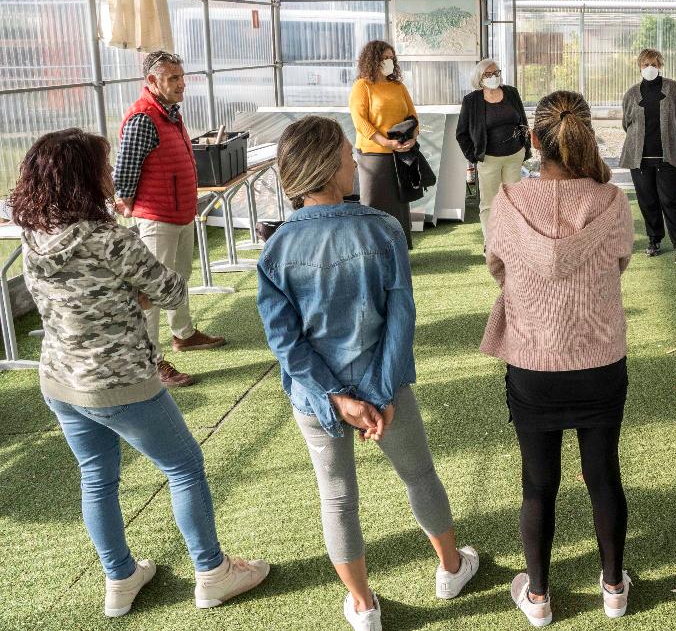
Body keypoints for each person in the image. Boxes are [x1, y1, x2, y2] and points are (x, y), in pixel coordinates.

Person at [12, 129, 269, 619]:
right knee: (184, 467)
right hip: (120, 383)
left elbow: (65, 300)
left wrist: (123, 297)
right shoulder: (109, 239)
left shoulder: (33, 235)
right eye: (103, 168)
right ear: (83, 179)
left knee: (97, 480)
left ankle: (120, 578)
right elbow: (171, 289)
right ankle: (213, 573)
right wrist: (133, 297)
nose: (111, 176)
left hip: (60, 381)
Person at [257, 117, 478, 631]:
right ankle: (450, 568)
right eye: (345, 153)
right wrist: (379, 392)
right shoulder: (383, 229)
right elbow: (402, 317)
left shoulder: (275, 251)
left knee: (336, 497)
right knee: (419, 476)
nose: (353, 158)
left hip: (315, 401)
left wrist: (335, 398)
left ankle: (363, 606)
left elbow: (285, 343)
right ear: (327, 166)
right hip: (387, 387)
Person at [480, 91, 635, 627]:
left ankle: (539, 597)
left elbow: (497, 266)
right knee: (603, 474)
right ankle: (614, 588)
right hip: (600, 361)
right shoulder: (611, 202)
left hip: (533, 364)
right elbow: (619, 263)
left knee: (537, 481)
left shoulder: (509, 202)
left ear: (531, 139)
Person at [113, 50, 225, 388]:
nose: (182, 84)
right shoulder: (143, 118)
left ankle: (184, 334)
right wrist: (130, 204)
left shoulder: (169, 114)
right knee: (151, 291)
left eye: (181, 76)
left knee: (178, 277)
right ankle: (151, 362)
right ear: (152, 81)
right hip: (158, 217)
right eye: (173, 78)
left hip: (178, 213)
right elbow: (125, 173)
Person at [619, 48, 676, 264]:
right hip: (640, 159)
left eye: (654, 64)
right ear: (639, 67)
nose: (650, 68)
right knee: (647, 202)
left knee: (671, 202)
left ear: (660, 66)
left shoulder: (675, 89)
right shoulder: (632, 93)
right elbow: (627, 122)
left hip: (669, 158)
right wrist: (637, 140)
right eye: (645, 64)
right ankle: (654, 240)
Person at [350, 40, 418, 249]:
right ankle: (373, 250)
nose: (389, 61)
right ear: (373, 60)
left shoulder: (398, 86)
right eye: (384, 58)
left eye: (391, 58)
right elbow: (360, 121)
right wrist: (385, 142)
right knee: (374, 204)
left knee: (399, 203)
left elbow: (412, 115)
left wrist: (413, 137)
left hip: (401, 152)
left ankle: (399, 249)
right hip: (374, 156)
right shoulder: (363, 86)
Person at [455, 58, 530, 244]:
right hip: (488, 159)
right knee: (489, 203)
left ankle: (513, 241)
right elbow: (461, 133)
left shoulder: (511, 93)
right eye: (489, 74)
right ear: (479, 78)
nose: (494, 77)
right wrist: (474, 156)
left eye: (496, 73)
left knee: (514, 201)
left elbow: (523, 121)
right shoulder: (471, 101)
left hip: (514, 156)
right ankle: (492, 244)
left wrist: (525, 147)